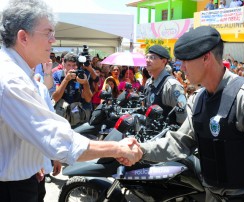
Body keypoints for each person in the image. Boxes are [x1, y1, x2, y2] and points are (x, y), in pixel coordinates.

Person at [0, 1, 142, 201]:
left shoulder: (20, 73)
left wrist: (34, 162)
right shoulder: (10, 78)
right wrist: (117, 149)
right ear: (23, 37)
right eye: (48, 33)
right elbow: (54, 137)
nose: (53, 39)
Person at [119, 26, 244, 201]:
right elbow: (180, 142)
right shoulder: (198, 99)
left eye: (186, 60)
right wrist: (140, 150)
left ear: (206, 58)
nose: (181, 67)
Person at [144, 45, 187, 125]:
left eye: (152, 57)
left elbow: (183, 119)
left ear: (163, 61)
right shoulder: (149, 82)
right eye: (146, 57)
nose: (147, 60)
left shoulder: (172, 86)